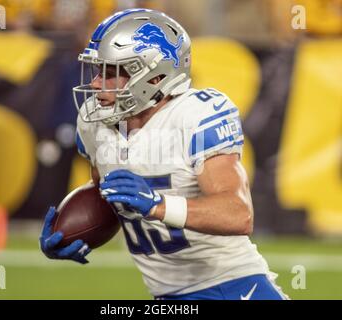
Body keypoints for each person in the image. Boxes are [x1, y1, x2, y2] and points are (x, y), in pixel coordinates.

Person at [40, 8, 288, 300]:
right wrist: (72, 232)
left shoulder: (195, 114)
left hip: (233, 288)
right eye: (97, 71)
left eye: (110, 73)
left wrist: (158, 205)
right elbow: (107, 193)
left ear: (154, 78)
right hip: (167, 296)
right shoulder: (95, 122)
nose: (95, 84)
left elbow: (238, 214)